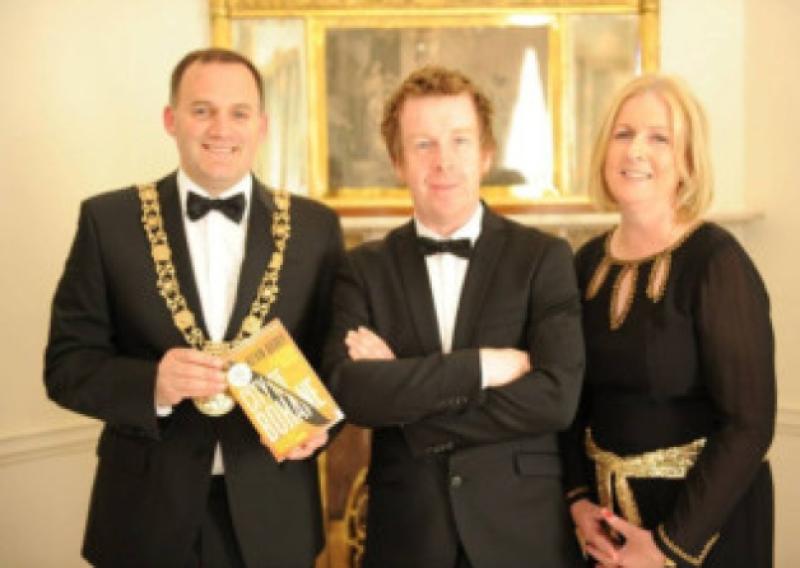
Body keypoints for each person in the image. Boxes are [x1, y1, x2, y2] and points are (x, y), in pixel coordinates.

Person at [44, 48, 344, 568]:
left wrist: (322, 427)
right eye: (202, 110)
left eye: (239, 113)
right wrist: (151, 385)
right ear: (171, 119)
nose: (220, 128)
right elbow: (66, 366)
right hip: (143, 513)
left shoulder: (316, 228)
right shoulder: (107, 222)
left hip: (274, 509)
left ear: (262, 125)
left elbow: (333, 358)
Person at [322, 66, 585, 568]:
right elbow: (351, 392)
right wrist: (483, 368)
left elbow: (556, 397)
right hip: (408, 534)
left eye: (459, 141)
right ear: (398, 162)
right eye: (422, 144)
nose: (442, 161)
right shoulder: (363, 268)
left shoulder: (543, 257)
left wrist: (409, 399)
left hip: (522, 533)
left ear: (486, 154)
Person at [560, 74, 775, 567]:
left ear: (688, 160)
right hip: (605, 530)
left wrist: (667, 547)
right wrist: (577, 502)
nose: (636, 151)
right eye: (623, 134)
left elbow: (749, 424)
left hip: (702, 532)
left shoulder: (718, 263)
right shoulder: (584, 263)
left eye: (659, 138)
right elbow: (569, 403)